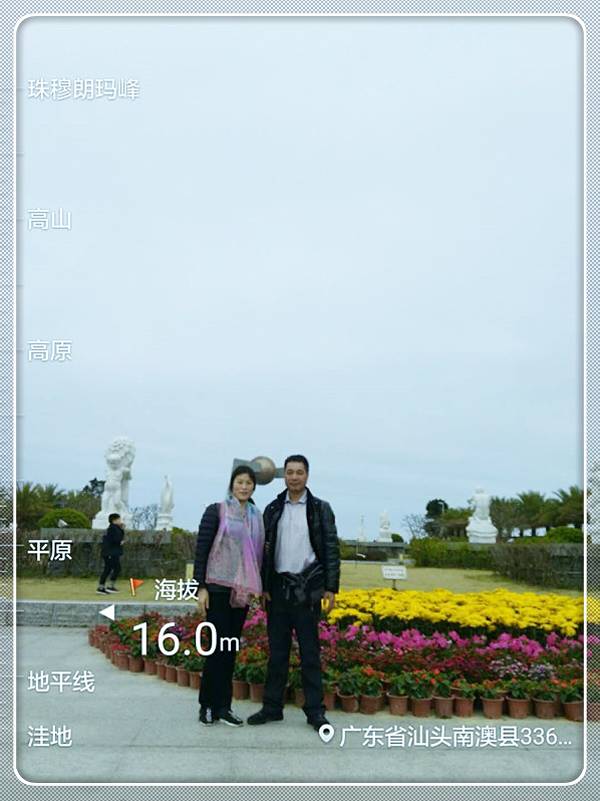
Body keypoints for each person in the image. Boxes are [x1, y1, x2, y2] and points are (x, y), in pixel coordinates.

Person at [247, 454, 340, 732]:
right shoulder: (273, 508)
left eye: (299, 472)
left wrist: (331, 587)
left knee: (310, 654)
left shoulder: (320, 509)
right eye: (290, 472)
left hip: (308, 590)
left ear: (307, 476)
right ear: (284, 475)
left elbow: (331, 549)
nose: (294, 477)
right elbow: (263, 550)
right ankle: (272, 707)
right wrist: (263, 586)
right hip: (278, 591)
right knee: (277, 653)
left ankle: (315, 711)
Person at [193, 465, 265, 727]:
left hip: (241, 591)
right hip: (217, 588)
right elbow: (202, 549)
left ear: (254, 487)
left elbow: (259, 555)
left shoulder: (256, 518)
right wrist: (200, 587)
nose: (244, 487)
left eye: (248, 483)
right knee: (216, 649)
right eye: (239, 482)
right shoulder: (217, 511)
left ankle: (224, 706)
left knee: (229, 649)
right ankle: (207, 705)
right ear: (232, 484)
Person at [97, 513, 124, 595]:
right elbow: (115, 539)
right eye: (119, 519)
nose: (120, 521)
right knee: (109, 569)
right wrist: (120, 542)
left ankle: (110, 586)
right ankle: (101, 587)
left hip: (113, 552)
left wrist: (121, 529)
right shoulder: (112, 529)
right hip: (110, 553)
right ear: (114, 520)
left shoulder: (116, 528)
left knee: (115, 568)